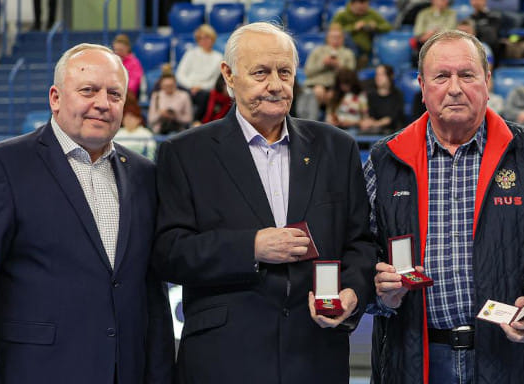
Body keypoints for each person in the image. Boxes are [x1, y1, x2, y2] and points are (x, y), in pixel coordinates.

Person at [152, 22, 377, 383]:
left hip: (315, 356)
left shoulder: (337, 148)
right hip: (223, 360)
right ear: (228, 75)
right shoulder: (184, 153)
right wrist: (251, 246)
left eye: (284, 72)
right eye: (260, 72)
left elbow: (360, 244)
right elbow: (168, 253)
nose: (275, 84)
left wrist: (352, 292)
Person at [0, 43, 174, 384]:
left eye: (114, 94)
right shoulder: (4, 166)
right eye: (88, 90)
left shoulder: (143, 174)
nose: (102, 103)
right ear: (55, 98)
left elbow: (150, 293)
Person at [366, 29, 524, 383]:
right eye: (442, 76)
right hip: (415, 359)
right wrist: (382, 293)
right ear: (421, 84)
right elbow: (361, 253)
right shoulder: (385, 160)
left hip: (513, 362)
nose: (455, 87)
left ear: (487, 80)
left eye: (467, 74)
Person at [304, 23, 356, 117]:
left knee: (333, 94)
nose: (336, 40)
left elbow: (351, 74)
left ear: (343, 39)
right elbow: (308, 71)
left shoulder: (348, 53)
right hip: (318, 84)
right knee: (318, 91)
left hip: (338, 86)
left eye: (338, 37)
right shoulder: (318, 51)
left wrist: (339, 66)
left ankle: (331, 121)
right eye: (333, 37)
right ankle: (312, 120)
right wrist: (323, 64)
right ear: (327, 38)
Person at [175, 24, 223, 122]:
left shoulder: (218, 58)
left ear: (212, 39)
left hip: (205, 90)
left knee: (206, 96)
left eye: (206, 38)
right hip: (187, 87)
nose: (204, 41)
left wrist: (200, 87)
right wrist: (191, 86)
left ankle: (197, 122)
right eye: (200, 38)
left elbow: (215, 81)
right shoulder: (190, 53)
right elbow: (180, 74)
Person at [331, 0, 393, 68]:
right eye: (359, 9)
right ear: (352, 5)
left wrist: (376, 26)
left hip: (367, 49)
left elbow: (388, 27)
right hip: (347, 48)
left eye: (364, 8)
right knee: (346, 36)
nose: (362, 11)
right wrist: (353, 27)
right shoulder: (342, 15)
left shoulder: (371, 13)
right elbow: (333, 30)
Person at [362, 64, 406, 134]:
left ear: (390, 76)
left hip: (393, 132)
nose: (378, 77)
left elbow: (393, 118)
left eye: (382, 75)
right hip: (375, 131)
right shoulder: (371, 95)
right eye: (377, 74)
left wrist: (376, 124)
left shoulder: (397, 95)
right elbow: (371, 115)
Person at [115, 93, 157, 159]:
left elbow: (150, 155)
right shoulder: (116, 133)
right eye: (126, 117)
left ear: (139, 120)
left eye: (131, 117)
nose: (128, 120)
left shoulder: (146, 133)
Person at [327, 67, 369, 132]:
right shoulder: (335, 96)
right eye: (341, 84)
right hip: (336, 128)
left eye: (346, 83)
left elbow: (365, 118)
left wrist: (352, 123)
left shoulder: (360, 96)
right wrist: (332, 120)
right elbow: (329, 114)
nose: (344, 86)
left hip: (354, 129)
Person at [112, 33, 144, 97]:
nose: (118, 52)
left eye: (121, 50)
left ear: (127, 48)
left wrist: (120, 91)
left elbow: (134, 83)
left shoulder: (134, 63)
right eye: (116, 50)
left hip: (127, 95)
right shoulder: (111, 62)